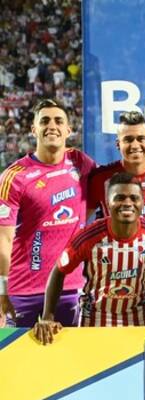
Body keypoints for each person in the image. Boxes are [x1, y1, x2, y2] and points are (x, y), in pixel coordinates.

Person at [33, 173, 145, 343]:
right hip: (95, 320)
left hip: (139, 320)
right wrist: (48, 316)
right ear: (108, 202)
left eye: (134, 198)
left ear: (142, 203)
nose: (127, 203)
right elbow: (59, 271)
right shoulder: (88, 237)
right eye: (120, 198)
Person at [0, 99, 94, 327]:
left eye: (58, 121)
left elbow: (114, 176)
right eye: (45, 121)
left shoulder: (80, 162)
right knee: (17, 352)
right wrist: (2, 292)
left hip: (71, 289)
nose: (52, 126)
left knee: (72, 351)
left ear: (69, 130)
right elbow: (4, 238)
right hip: (24, 292)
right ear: (34, 129)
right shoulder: (14, 176)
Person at [86, 111, 145, 325]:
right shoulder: (101, 179)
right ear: (118, 144)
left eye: (140, 138)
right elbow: (80, 222)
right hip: (110, 286)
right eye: (128, 139)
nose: (135, 145)